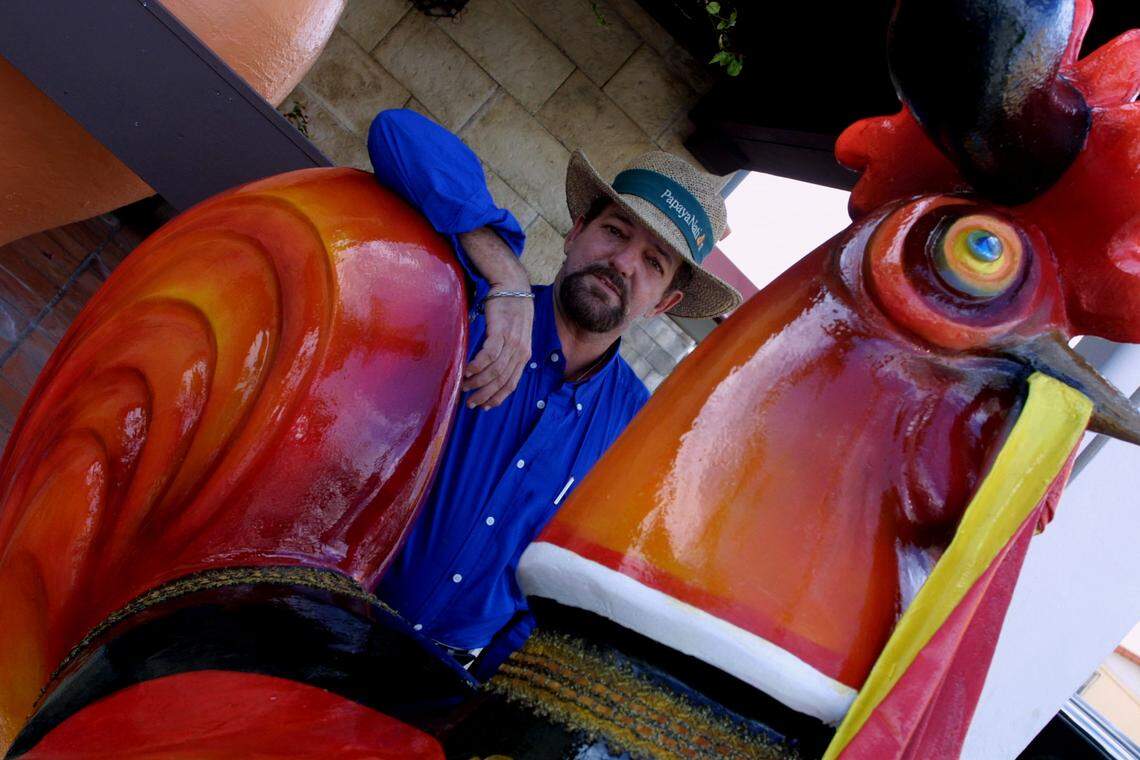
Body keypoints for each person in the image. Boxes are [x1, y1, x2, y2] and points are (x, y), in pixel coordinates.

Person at [366, 109, 742, 678]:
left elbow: (563, 582)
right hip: (330, 603)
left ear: (663, 303)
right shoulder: (470, 303)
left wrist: (481, 691)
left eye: (653, 262)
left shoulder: (638, 433)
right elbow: (397, 133)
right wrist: (506, 276)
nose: (621, 262)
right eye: (615, 231)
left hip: (439, 683)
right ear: (576, 232)